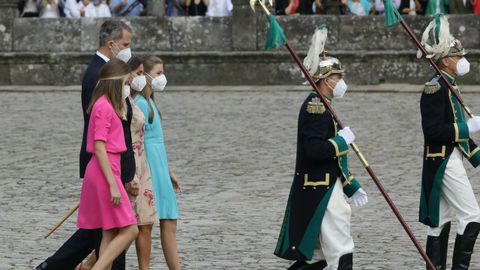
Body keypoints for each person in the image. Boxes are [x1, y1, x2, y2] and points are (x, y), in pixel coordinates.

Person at [35, 20, 134, 270]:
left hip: (111, 164)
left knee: (105, 231)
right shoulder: (97, 80)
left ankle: (57, 266)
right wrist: (113, 180)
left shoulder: (108, 88)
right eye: (125, 45)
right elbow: (99, 137)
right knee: (115, 229)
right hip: (105, 166)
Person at [274, 27, 368, 270]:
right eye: (338, 77)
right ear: (326, 80)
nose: (341, 81)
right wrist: (340, 141)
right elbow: (314, 150)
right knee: (340, 249)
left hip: (326, 184)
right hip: (320, 187)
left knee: (316, 256)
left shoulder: (323, 103)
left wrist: (351, 185)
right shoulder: (316, 105)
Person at [417, 15, 480, 270]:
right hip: (443, 160)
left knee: (440, 220)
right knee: (472, 216)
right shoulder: (435, 88)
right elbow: (433, 131)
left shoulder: (449, 85)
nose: (463, 61)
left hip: (450, 157)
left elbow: (459, 135)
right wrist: (467, 127)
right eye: (458, 57)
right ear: (445, 61)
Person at [78, 58, 138, 270]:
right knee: (131, 229)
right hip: (105, 172)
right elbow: (100, 147)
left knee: (109, 232)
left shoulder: (107, 104)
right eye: (125, 83)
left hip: (109, 169)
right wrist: (113, 184)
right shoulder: (103, 106)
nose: (127, 87)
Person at [133, 56, 183, 270]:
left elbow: (158, 141)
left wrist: (169, 170)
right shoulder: (140, 104)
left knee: (169, 218)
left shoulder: (151, 101)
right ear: (145, 76)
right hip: (148, 166)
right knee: (146, 223)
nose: (162, 77)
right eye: (158, 73)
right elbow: (138, 140)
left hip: (160, 165)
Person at [127, 55, 157, 270]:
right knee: (126, 227)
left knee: (146, 223)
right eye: (138, 73)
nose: (142, 78)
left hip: (143, 163)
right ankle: (92, 263)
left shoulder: (138, 101)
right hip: (129, 165)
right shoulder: (124, 101)